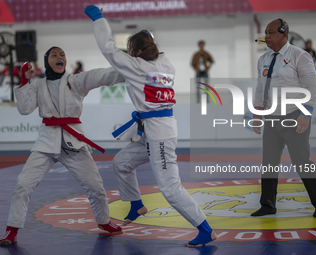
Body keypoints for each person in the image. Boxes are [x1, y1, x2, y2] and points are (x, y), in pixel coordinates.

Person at [84, 5, 217, 247]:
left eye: (131, 50)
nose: (128, 53)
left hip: (160, 135)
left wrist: (98, 19)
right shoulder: (166, 65)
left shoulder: (137, 67)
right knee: (121, 163)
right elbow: (149, 48)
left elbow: (108, 49)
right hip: (153, 131)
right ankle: (136, 204)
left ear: (135, 51)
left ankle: (204, 228)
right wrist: (145, 36)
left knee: (170, 187)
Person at [0, 46, 125, 246]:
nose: (59, 57)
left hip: (73, 141)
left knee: (96, 187)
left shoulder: (75, 81)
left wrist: (130, 70)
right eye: (54, 55)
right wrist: (24, 81)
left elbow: (100, 76)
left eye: (62, 55)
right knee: (23, 184)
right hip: (46, 141)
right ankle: (11, 229)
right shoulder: (38, 85)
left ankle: (104, 221)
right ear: (47, 61)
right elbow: (24, 109)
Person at [251, 19, 316, 218]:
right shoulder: (264, 59)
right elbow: (261, 88)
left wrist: (306, 114)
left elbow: (312, 88)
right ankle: (267, 204)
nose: (266, 36)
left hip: (295, 117)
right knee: (268, 163)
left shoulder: (300, 56)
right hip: (272, 118)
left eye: (271, 32)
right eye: (265, 32)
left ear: (284, 34)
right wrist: (258, 111)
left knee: (301, 161)